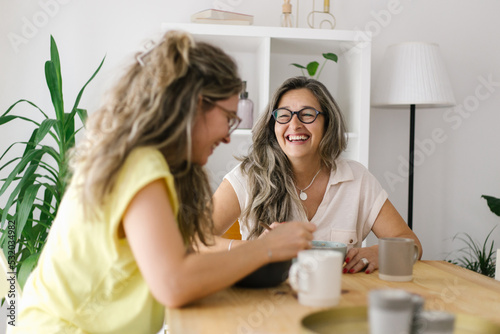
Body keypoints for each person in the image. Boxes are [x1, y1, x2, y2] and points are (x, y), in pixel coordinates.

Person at [11, 32, 315, 334]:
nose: (227, 135)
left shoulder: (148, 163)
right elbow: (174, 283)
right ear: (196, 105)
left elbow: (180, 264)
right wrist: (266, 249)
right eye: (229, 118)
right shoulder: (140, 165)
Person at [211, 76, 422, 274]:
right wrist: (254, 249)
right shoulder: (247, 176)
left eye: (308, 114)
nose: (294, 125)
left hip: (339, 300)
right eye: (284, 115)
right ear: (273, 125)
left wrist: (380, 253)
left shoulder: (357, 178)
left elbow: (411, 244)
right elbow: (192, 240)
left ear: (327, 123)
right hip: (268, 302)